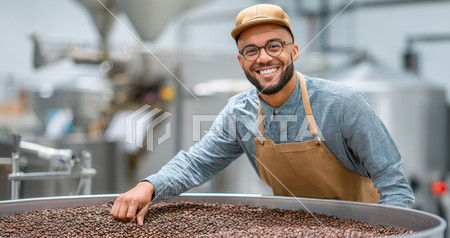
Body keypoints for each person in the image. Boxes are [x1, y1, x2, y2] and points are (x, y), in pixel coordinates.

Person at [111, 4, 414, 224]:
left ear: (294, 51)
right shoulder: (239, 113)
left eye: (274, 46)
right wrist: (149, 186)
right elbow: (197, 163)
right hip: (291, 234)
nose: (264, 58)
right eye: (251, 51)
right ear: (241, 61)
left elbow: (393, 183)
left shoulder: (343, 104)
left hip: (362, 233)